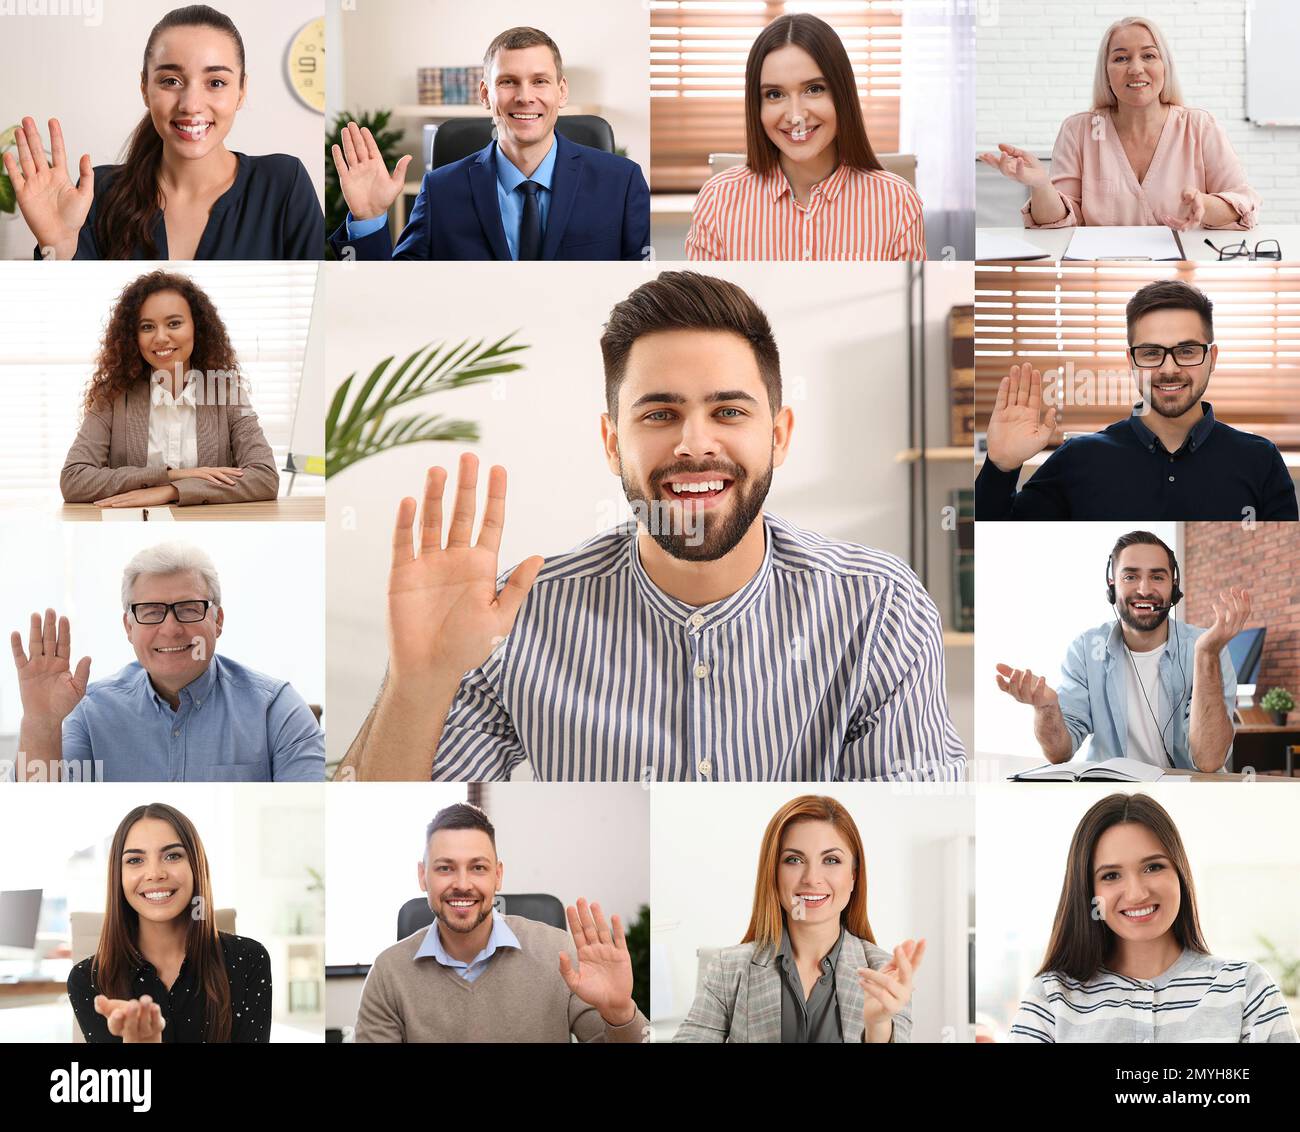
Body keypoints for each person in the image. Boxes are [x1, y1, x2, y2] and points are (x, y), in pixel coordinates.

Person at [337, 270, 966, 782]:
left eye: (728, 411)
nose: (695, 444)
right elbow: (386, 825)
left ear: (778, 436)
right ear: (612, 444)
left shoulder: (878, 605)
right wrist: (417, 681)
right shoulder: (510, 618)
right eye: (660, 413)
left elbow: (899, 820)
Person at [3, 5, 322, 261]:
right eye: (171, 80)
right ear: (144, 88)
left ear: (241, 91)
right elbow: (71, 319)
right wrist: (56, 248)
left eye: (216, 83)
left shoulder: (283, 183)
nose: (191, 104)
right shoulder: (100, 192)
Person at [977, 280, 1297, 520]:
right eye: (1151, 353)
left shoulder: (1260, 460)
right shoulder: (1078, 458)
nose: (1169, 369)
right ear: (1131, 361)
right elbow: (996, 540)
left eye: (1186, 351)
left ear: (1212, 357)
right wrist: (1001, 467)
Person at [8, 541, 324, 782]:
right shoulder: (91, 711)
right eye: (151, 611)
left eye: (188, 608)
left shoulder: (275, 708)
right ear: (128, 627)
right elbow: (38, 812)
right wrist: (41, 723)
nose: (171, 629)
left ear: (218, 620)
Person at [328, 27, 649, 261]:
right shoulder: (441, 190)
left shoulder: (621, 182)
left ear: (561, 92)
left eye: (540, 81)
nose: (525, 96)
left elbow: (644, 294)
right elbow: (391, 296)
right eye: (508, 82)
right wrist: (369, 219)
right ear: (485, 94)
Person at [1009, 793, 1296, 1043]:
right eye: (1111, 875)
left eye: (1153, 867)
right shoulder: (1049, 998)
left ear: (1179, 874)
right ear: (1088, 891)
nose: (1136, 894)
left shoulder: (1246, 988)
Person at [354, 803, 647, 1043]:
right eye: (445, 868)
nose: (462, 884)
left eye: (478, 868)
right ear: (422, 876)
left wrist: (621, 1012)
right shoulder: (388, 972)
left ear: (498, 876)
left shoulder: (559, 953)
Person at [673, 795, 920, 1043]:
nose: (812, 878)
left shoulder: (886, 974)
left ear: (854, 876)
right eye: (794, 859)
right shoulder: (728, 968)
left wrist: (877, 1027)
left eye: (831, 860)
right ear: (773, 873)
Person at [980, 17, 1260, 231]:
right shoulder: (1078, 131)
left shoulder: (1200, 126)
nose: (1135, 68)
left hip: (1184, 272)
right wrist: (1041, 185)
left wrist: (1205, 205)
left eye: (1149, 55)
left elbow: (1244, 203)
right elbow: (1058, 222)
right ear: (1106, 72)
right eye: (1121, 58)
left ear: (1165, 66)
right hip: (1100, 275)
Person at [995, 531, 1242, 771]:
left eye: (1157, 577)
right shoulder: (1085, 649)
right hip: (1111, 799)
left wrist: (1206, 656)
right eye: (1130, 577)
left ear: (1173, 586)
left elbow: (1209, 760)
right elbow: (1059, 753)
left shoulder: (1208, 649)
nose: (1144, 589)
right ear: (1112, 585)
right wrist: (1046, 709)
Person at [686, 13, 924, 261]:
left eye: (814, 89)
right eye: (775, 94)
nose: (796, 116)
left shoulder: (898, 203)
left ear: (841, 95)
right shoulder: (717, 200)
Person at [60, 270, 279, 508]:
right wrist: (171, 475)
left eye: (174, 323)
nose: (161, 337)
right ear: (133, 335)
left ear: (197, 327)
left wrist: (172, 491)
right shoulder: (113, 396)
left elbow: (265, 477)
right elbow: (74, 479)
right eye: (147, 327)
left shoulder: (227, 394)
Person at [67, 802, 271, 1043]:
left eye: (173, 856)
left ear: (196, 867)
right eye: (135, 860)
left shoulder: (248, 959)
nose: (155, 873)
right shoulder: (87, 980)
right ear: (118, 877)